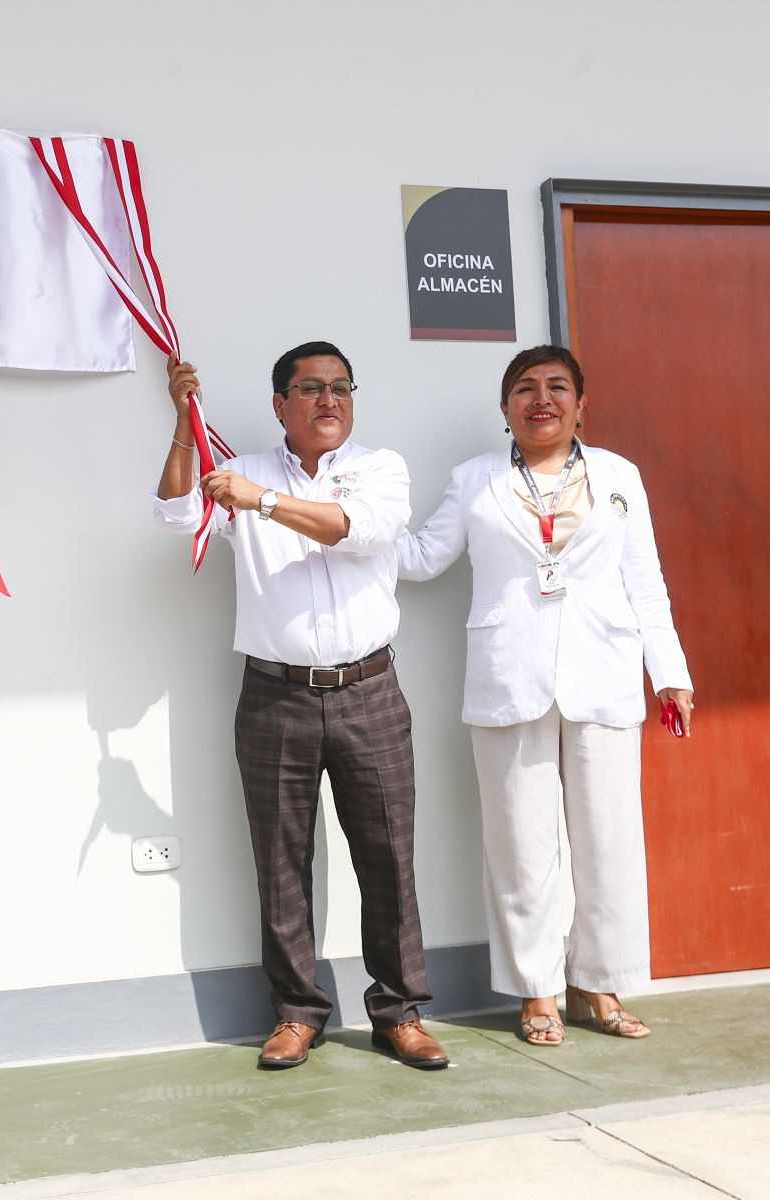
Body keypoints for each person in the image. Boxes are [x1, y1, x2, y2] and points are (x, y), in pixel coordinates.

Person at [154, 341, 449, 1072]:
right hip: (274, 694)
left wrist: (263, 503)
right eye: (311, 388)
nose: (329, 400)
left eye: (341, 387)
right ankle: (296, 1012)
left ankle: (399, 1011)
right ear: (280, 403)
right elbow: (172, 515)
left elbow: (359, 531)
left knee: (387, 855)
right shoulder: (244, 469)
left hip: (370, 690)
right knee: (281, 861)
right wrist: (186, 430)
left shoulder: (380, 468)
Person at [396, 344, 693, 1046]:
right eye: (525, 388)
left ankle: (602, 979)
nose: (542, 399)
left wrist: (670, 670)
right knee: (521, 847)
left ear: (581, 404)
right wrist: (343, 525)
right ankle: (537, 990)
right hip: (509, 676)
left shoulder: (620, 476)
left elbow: (644, 580)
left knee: (609, 841)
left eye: (558, 387)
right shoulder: (474, 481)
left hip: (605, 674)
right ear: (505, 409)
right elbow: (420, 557)